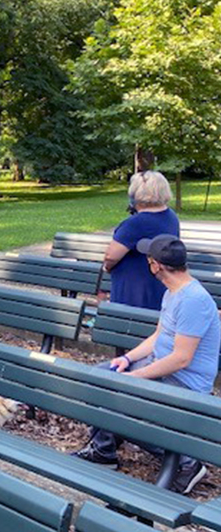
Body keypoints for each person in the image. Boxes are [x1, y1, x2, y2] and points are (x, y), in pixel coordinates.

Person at [73, 235, 220, 496]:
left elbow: (181, 359)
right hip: (160, 368)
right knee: (99, 377)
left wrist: (136, 376)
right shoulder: (174, 292)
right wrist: (127, 359)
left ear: (156, 265)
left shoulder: (193, 300)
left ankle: (188, 462)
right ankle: (104, 450)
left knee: (122, 405)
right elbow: (158, 337)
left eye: (148, 260)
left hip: (184, 384)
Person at [104, 171, 179, 309]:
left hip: (134, 290)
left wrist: (107, 267)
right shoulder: (171, 217)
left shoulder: (135, 223)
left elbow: (111, 256)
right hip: (160, 284)